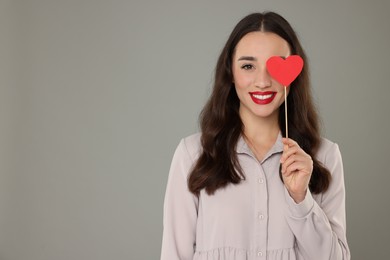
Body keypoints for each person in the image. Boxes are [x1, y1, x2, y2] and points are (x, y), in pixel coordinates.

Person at [160, 12, 350, 260]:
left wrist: (301, 200)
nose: (262, 81)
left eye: (275, 66)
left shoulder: (324, 156)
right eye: (248, 66)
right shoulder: (192, 154)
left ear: (293, 75)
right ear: (230, 72)